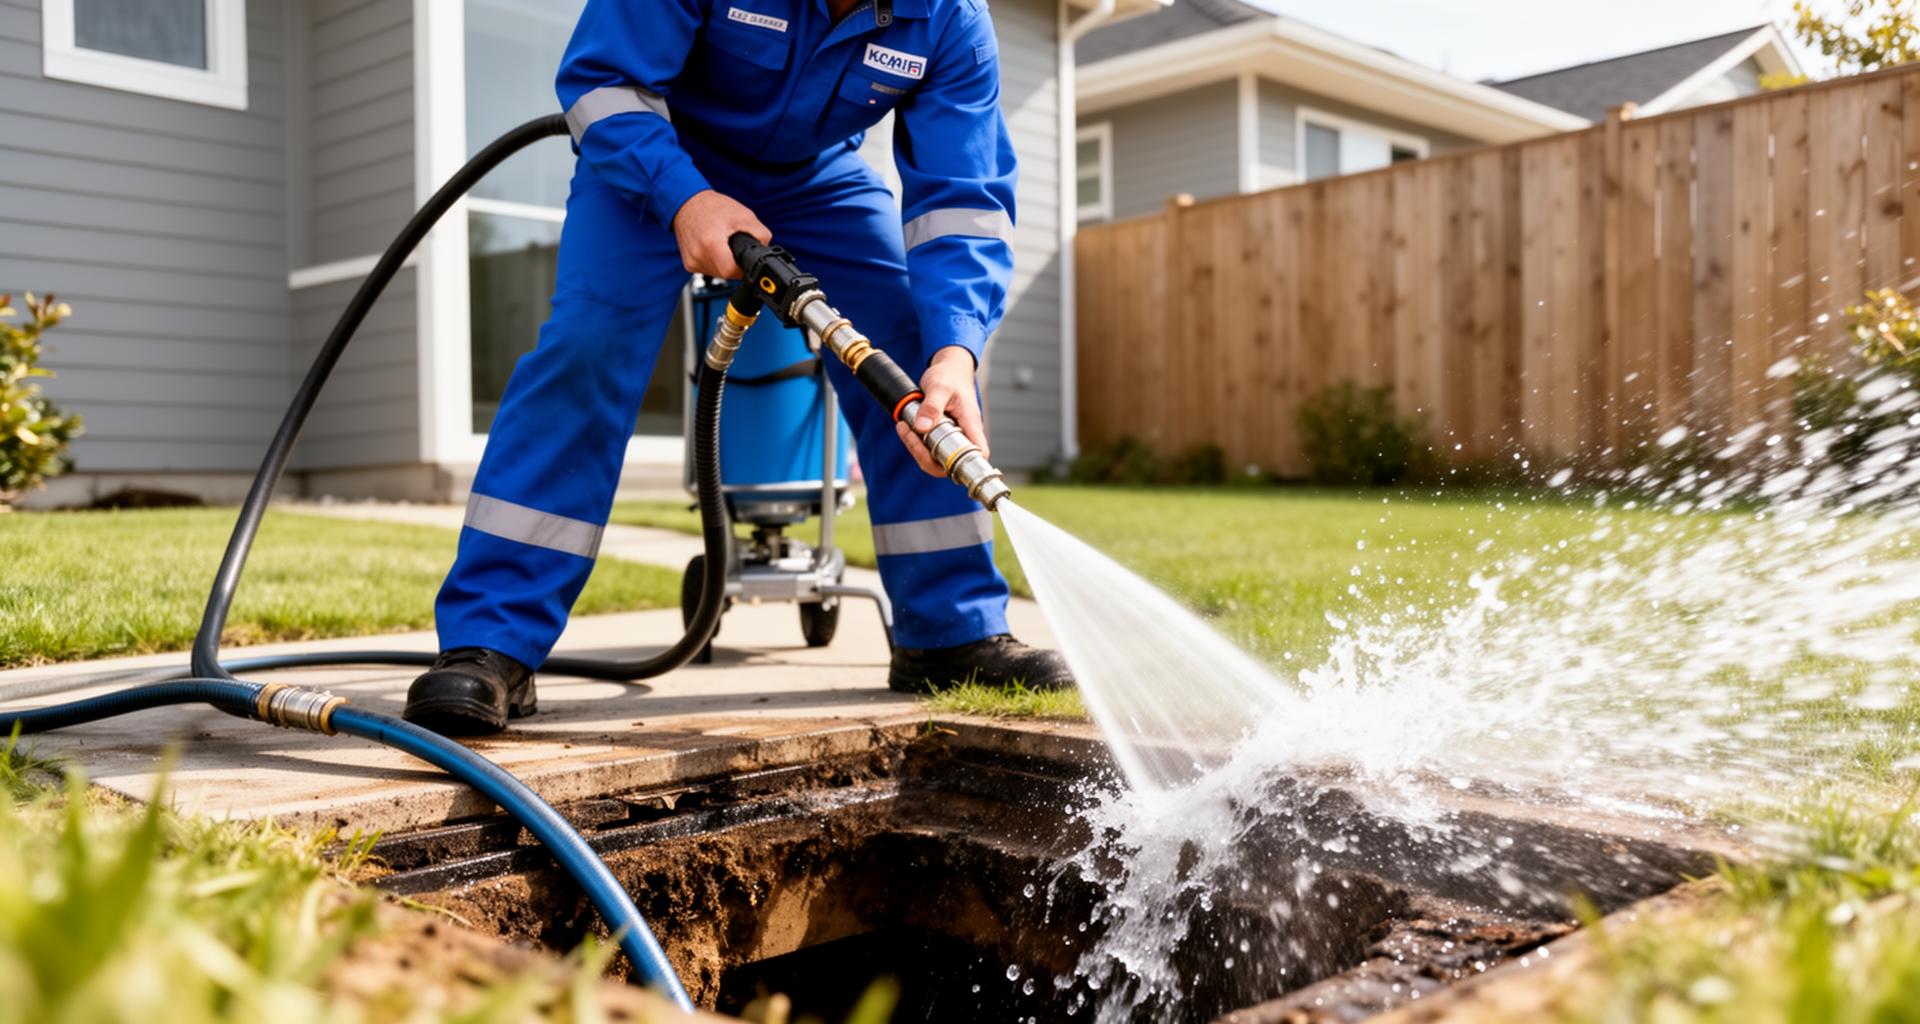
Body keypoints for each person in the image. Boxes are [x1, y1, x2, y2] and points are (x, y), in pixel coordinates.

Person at [402, 0, 1074, 735]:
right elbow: (603, 82)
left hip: (816, 180)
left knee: (917, 358)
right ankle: (491, 642)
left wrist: (956, 348)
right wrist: (683, 197)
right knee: (588, 344)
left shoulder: (947, 18)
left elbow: (962, 202)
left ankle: (950, 632)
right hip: (654, 152)